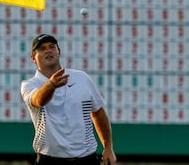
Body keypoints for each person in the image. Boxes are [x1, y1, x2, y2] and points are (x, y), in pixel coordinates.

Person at [20, 34, 117, 165]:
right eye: (42, 48)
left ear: (58, 52)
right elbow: (38, 100)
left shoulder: (81, 77)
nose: (48, 50)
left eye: (52, 47)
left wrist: (108, 147)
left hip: (86, 159)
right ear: (33, 58)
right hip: (49, 160)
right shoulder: (30, 84)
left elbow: (98, 112)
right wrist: (51, 85)